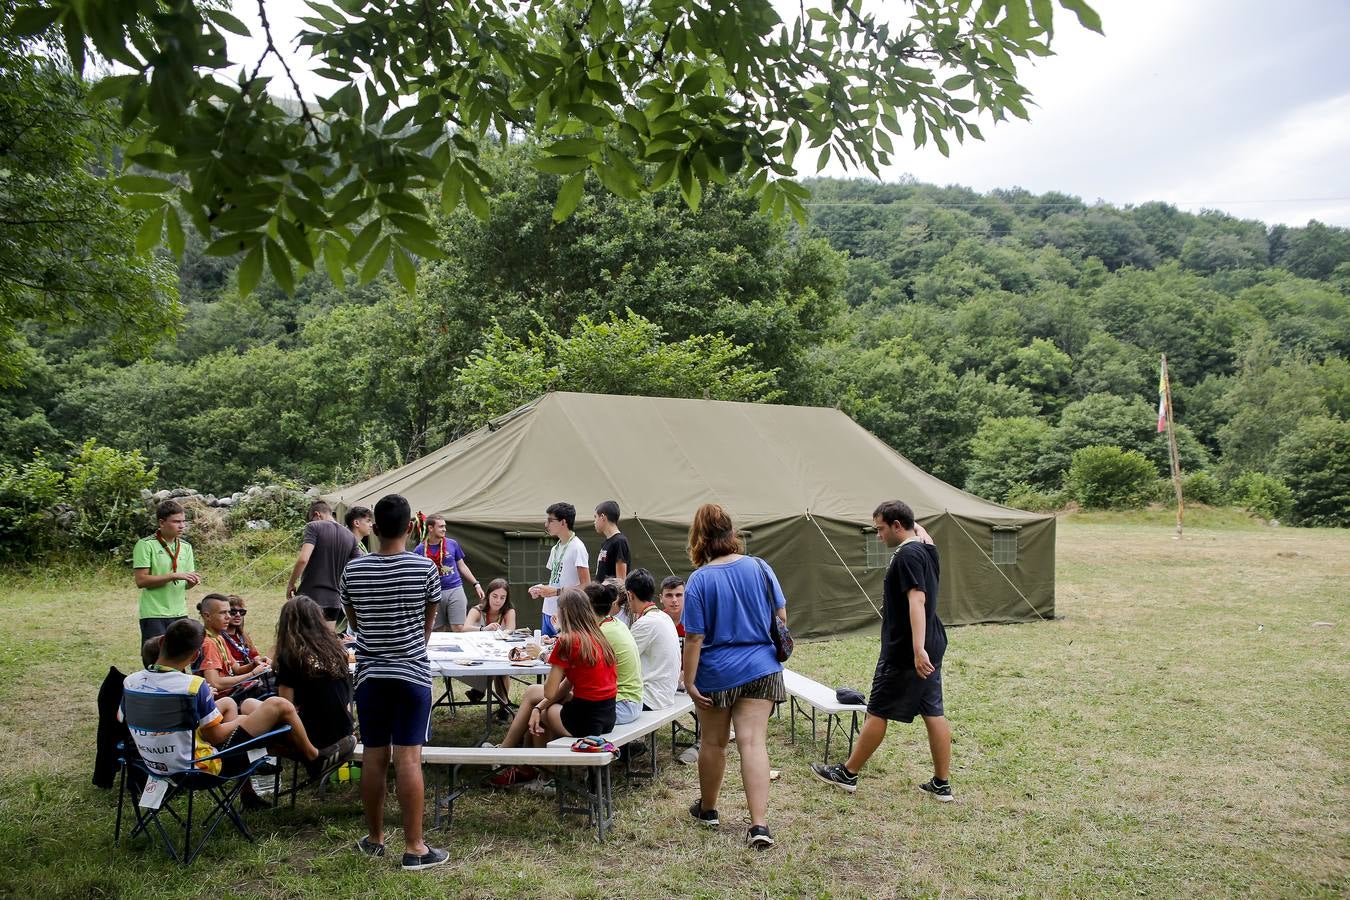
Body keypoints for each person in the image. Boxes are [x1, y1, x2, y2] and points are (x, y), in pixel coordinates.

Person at [811, 500, 952, 802]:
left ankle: (847, 774)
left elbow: (917, 600)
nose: (878, 536)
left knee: (878, 709)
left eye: (880, 529)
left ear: (897, 526)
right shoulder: (927, 548)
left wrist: (916, 649)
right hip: (933, 641)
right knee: (932, 710)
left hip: (907, 648)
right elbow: (922, 531)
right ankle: (942, 783)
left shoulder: (908, 555)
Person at [340, 493, 449, 871]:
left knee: (373, 755)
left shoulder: (354, 571)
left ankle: (374, 839)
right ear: (409, 528)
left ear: (374, 528)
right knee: (408, 757)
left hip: (370, 675)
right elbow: (428, 624)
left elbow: (353, 624)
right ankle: (415, 847)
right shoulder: (424, 570)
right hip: (411, 673)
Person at [122, 618, 352, 782]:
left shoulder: (130, 682)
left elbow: (122, 717)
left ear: (162, 642)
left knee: (230, 703)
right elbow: (215, 735)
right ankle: (314, 759)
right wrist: (247, 720)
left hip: (150, 762)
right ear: (194, 656)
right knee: (278, 705)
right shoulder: (192, 686)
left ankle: (249, 793)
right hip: (197, 767)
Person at [682, 503, 786, 851]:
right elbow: (781, 614)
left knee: (714, 743)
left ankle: (708, 810)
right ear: (732, 533)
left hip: (716, 671)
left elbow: (694, 637)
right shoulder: (759, 566)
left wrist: (689, 680)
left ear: (699, 538)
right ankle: (759, 825)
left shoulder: (699, 579)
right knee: (753, 742)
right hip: (762, 666)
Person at [489, 588, 617, 788]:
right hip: (608, 716)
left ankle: (545, 777)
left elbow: (550, 691)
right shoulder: (597, 636)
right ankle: (518, 760)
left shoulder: (567, 641)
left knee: (543, 713)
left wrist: (539, 709)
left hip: (585, 720)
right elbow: (568, 684)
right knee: (540, 707)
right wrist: (538, 707)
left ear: (564, 613)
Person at [272, 594, 355, 756]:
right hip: (344, 728)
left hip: (316, 736)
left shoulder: (290, 656)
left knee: (251, 706)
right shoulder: (336, 650)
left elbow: (285, 705)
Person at [132, 499, 202, 642]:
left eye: (183, 521)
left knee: (179, 656)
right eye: (176, 522)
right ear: (162, 522)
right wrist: (173, 576)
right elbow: (141, 580)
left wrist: (192, 581)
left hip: (180, 612)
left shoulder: (186, 546)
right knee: (156, 658)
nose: (182, 526)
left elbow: (185, 584)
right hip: (154, 614)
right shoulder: (145, 545)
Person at [287, 500, 360, 630]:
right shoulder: (351, 537)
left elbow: (303, 559)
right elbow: (357, 569)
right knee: (325, 645)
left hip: (309, 598)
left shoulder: (313, 527)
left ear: (317, 515)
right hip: (334, 601)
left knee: (301, 643)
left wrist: (291, 584)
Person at [411, 513, 485, 633]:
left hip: (455, 588)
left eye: (444, 526)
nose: (444, 529)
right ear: (430, 528)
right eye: (440, 526)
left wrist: (476, 584)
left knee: (458, 628)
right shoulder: (420, 550)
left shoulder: (452, 544)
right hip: (433, 593)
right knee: (436, 629)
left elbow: (462, 566)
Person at [584, 582, 643, 726]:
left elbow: (573, 675)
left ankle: (531, 746)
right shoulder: (615, 623)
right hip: (633, 701)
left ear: (588, 608)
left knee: (550, 711)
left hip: (621, 706)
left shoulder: (601, 634)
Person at [529, 502, 589, 637]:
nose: (546, 524)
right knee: (544, 653)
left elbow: (586, 585)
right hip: (548, 610)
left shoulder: (577, 547)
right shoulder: (555, 548)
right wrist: (541, 590)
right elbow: (556, 580)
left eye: (550, 520)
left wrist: (555, 592)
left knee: (561, 655)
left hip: (566, 614)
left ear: (563, 522)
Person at [195, 593, 272, 700]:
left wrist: (254, 664)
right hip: (222, 699)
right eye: (223, 613)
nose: (228, 616)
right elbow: (214, 683)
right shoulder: (208, 643)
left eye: (228, 612)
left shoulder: (218, 638)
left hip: (232, 692)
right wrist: (252, 674)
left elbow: (236, 669)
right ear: (207, 616)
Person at [624, 568, 680, 711]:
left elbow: (620, 660)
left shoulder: (645, 623)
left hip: (651, 698)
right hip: (665, 694)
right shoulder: (663, 616)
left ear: (630, 595)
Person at [463, 578, 516, 710]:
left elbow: (511, 629)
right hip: (477, 653)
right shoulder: (477, 610)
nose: (498, 601)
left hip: (500, 652)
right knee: (496, 666)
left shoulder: (509, 611)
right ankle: (501, 703)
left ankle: (483, 692)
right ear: (488, 595)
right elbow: (465, 629)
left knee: (501, 669)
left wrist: (501, 633)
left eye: (502, 597)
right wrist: (483, 629)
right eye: (495, 596)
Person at [222, 594, 267, 668]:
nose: (238, 615)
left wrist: (263, 662)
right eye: (233, 612)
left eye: (241, 612)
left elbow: (255, 657)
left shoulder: (243, 635)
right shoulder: (219, 637)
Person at [592, 500, 631, 582]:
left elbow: (620, 581)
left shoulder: (620, 542)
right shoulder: (606, 543)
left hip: (610, 594)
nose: (594, 522)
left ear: (602, 517)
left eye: (595, 517)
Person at [660, 575, 686, 640]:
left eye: (678, 595)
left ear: (686, 596)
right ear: (661, 598)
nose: (674, 600)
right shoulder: (656, 621)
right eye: (669, 595)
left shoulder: (695, 621)